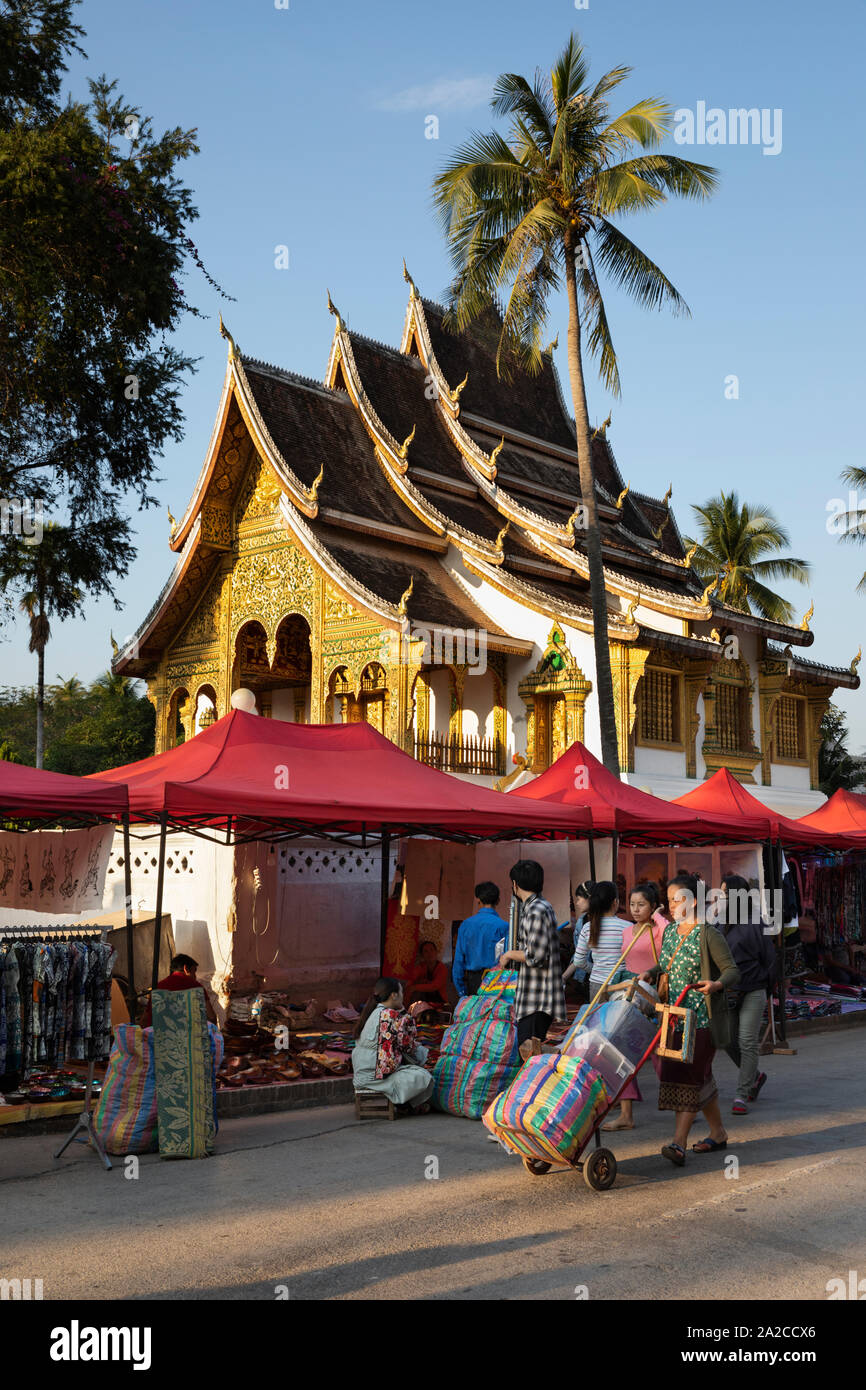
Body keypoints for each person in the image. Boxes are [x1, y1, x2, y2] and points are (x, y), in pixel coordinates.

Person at [640, 870, 740, 1167]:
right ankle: (718, 1132)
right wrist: (653, 971)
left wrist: (716, 985)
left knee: (689, 1078)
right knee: (698, 1077)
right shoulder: (671, 931)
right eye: (669, 899)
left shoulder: (708, 933)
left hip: (702, 1021)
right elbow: (665, 962)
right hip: (673, 1017)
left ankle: (678, 1143)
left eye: (677, 899)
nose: (671, 905)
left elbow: (732, 970)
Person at [600, 881, 668, 1132]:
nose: (636, 909)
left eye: (642, 905)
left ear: (652, 906)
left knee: (660, 1055)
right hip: (629, 995)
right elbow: (626, 964)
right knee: (621, 1049)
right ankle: (626, 1114)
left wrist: (658, 916)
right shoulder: (628, 931)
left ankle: (683, 1105)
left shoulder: (659, 930)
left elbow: (667, 934)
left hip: (654, 996)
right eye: (632, 904)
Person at [716, 875, 776, 1114]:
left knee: (747, 1041)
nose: (721, 898)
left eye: (725, 894)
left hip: (754, 989)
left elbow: (769, 960)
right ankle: (756, 1076)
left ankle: (742, 1094)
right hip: (727, 990)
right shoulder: (719, 923)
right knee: (726, 1040)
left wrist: (764, 986)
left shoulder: (757, 923)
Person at [498, 859, 566, 1060]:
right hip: (535, 996)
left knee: (529, 1056)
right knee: (530, 1054)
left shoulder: (536, 909)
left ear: (515, 884)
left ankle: (531, 1092)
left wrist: (508, 955)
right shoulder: (537, 907)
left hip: (537, 998)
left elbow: (535, 955)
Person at [351, 977, 433, 1114]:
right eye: (401, 993)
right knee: (423, 1076)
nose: (403, 996)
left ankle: (406, 1104)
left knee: (413, 1065)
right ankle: (405, 1104)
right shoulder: (390, 1015)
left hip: (362, 1073)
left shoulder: (373, 1012)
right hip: (374, 1076)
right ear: (394, 995)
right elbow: (407, 1046)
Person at [570, 881, 629, 1004]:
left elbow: (578, 961)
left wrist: (595, 969)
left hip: (596, 984)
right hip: (622, 983)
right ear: (615, 902)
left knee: (598, 1021)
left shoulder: (587, 927)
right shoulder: (627, 927)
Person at [452, 882, 507, 996]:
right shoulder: (504, 926)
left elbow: (458, 962)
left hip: (473, 983)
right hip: (497, 982)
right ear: (498, 901)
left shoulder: (465, 925)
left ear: (478, 900)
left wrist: (461, 991)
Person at [139, 953, 216, 1027]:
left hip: (161, 1039)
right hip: (192, 1039)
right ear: (186, 969)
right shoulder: (196, 987)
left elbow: (145, 1020)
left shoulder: (158, 987)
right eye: (194, 971)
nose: (195, 976)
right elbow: (212, 1018)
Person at [561, 881, 593, 987]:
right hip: (584, 976)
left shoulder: (605, 923)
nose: (577, 903)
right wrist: (564, 977)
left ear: (589, 898)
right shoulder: (581, 921)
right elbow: (578, 954)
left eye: (579, 899)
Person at [404, 940, 449, 1009]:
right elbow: (410, 983)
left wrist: (415, 987)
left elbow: (434, 986)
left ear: (436, 952)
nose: (429, 953)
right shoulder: (420, 967)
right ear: (422, 955)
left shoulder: (442, 968)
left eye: (431, 950)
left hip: (440, 1002)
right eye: (426, 951)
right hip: (423, 1002)